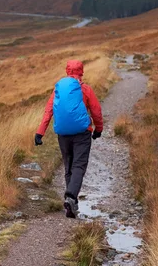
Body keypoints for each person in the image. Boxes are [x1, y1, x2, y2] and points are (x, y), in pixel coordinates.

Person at [35, 60, 103, 218]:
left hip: (63, 134)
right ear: (82, 72)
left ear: (67, 71)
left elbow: (48, 111)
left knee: (69, 166)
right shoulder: (85, 89)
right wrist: (98, 129)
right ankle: (71, 196)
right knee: (79, 166)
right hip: (82, 133)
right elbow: (96, 110)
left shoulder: (58, 90)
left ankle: (70, 203)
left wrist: (40, 133)